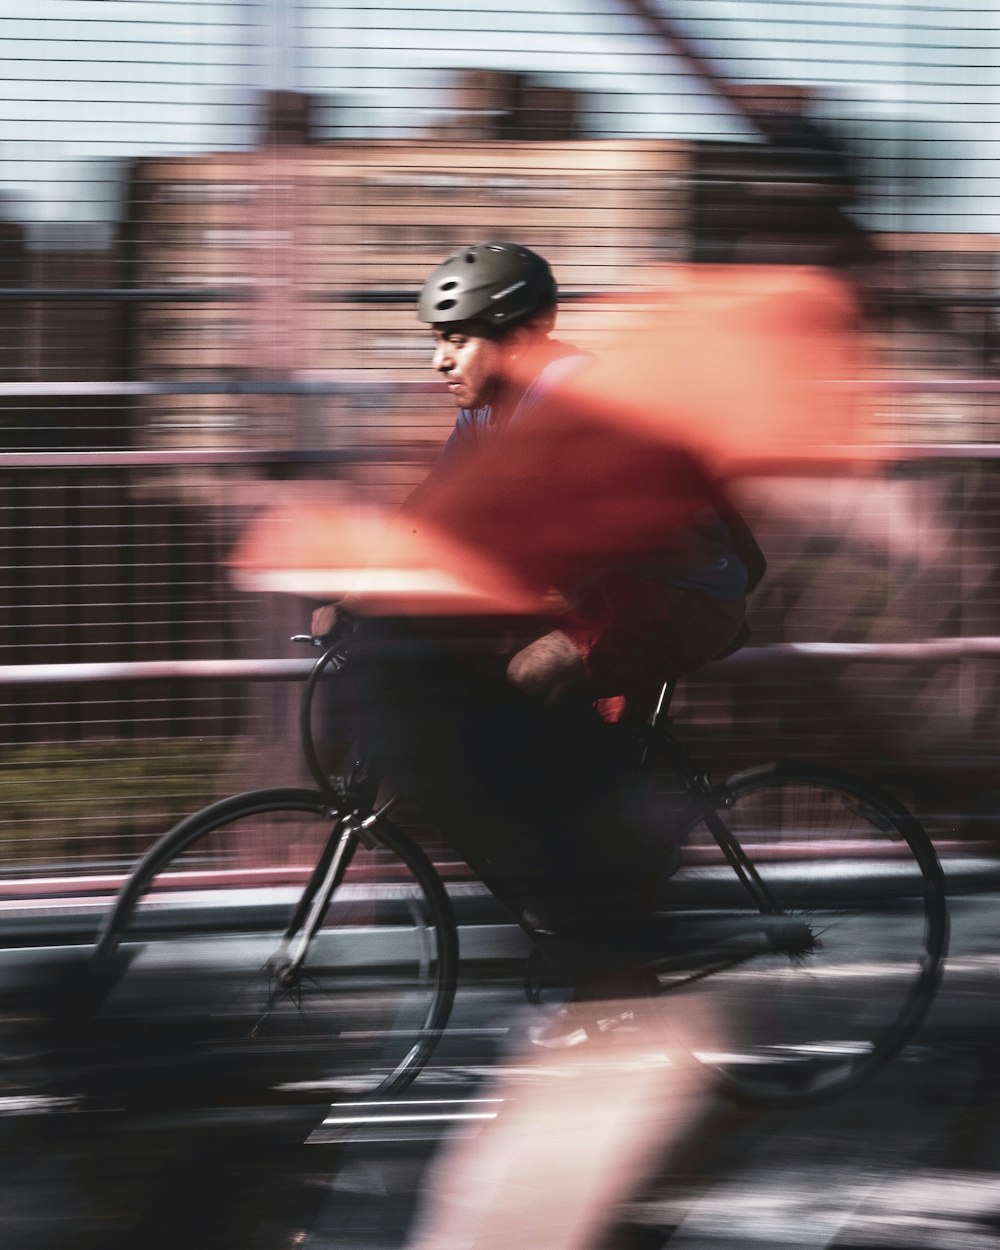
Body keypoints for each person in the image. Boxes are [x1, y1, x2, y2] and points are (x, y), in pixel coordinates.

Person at [312, 241, 765, 1025]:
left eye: (456, 339)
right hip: (601, 593)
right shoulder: (490, 408)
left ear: (518, 337)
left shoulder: (572, 400)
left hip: (679, 596)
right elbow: (435, 510)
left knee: (524, 684)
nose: (438, 360)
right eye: (437, 339)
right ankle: (590, 888)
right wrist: (355, 594)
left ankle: (616, 891)